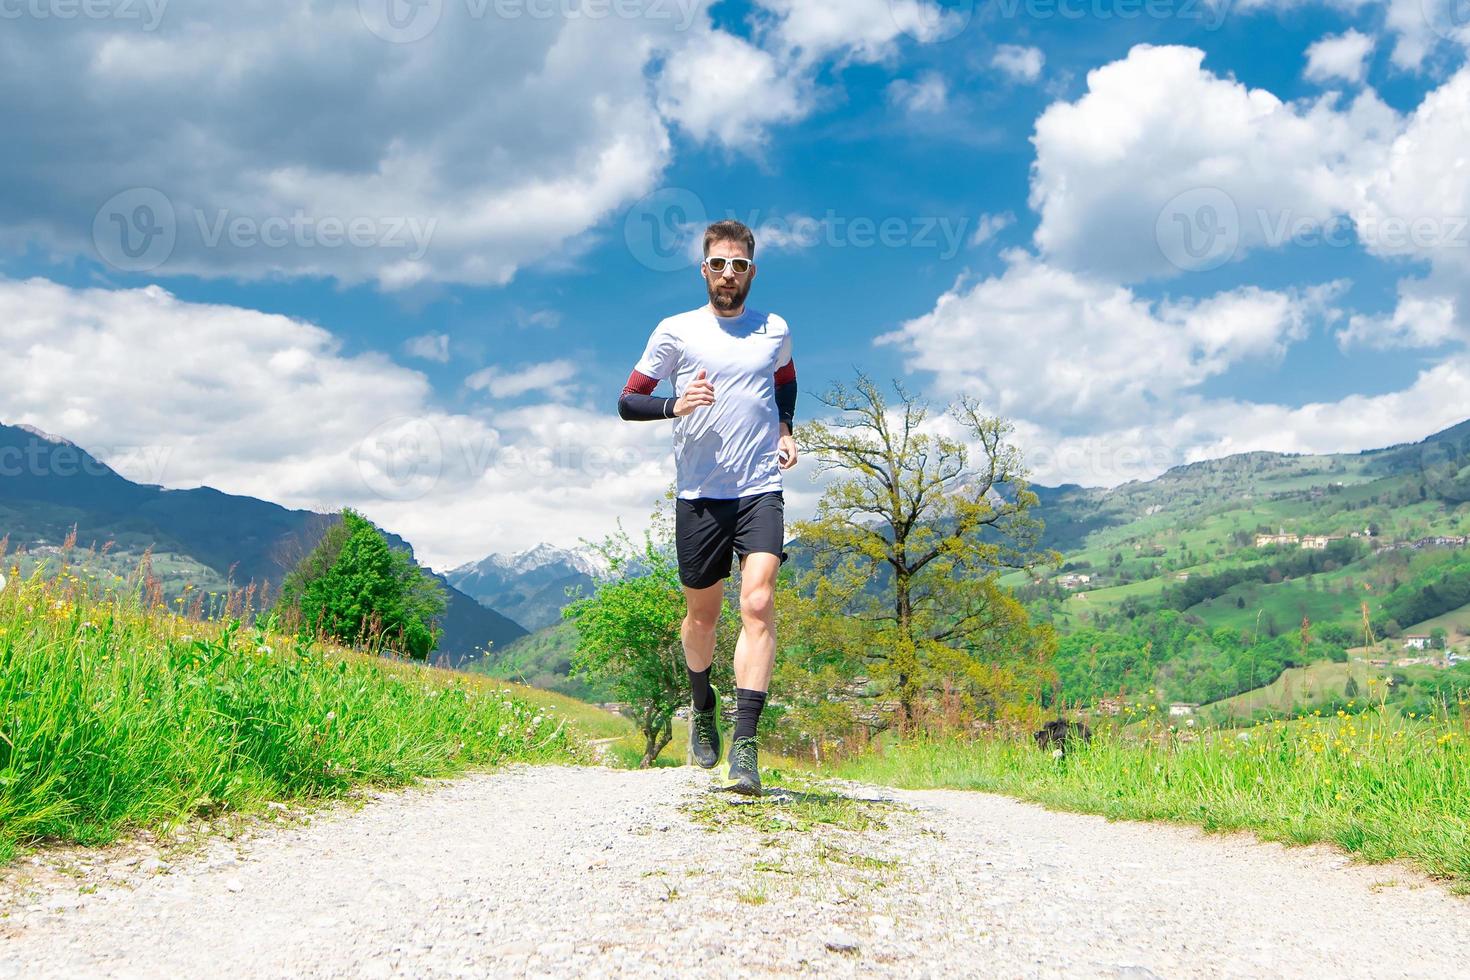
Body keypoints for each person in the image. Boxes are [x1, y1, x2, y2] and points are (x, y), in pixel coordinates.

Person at [617, 218, 797, 796]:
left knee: (760, 601)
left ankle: (744, 746)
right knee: (702, 619)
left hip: (759, 486)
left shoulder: (774, 329)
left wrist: (786, 428)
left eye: (738, 265)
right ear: (704, 269)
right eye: (718, 264)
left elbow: (785, 378)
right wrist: (675, 404)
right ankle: (702, 701)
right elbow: (628, 400)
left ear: (752, 270)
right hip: (699, 495)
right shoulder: (676, 331)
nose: (728, 274)